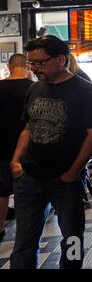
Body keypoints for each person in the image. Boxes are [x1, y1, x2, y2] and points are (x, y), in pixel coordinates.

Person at [9, 35, 92, 269]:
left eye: (40, 63)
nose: (34, 68)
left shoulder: (84, 90)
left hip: (65, 179)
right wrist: (15, 161)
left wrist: (74, 171)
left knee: (72, 238)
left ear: (61, 59)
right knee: (23, 242)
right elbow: (28, 127)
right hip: (29, 176)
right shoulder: (34, 88)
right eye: (32, 63)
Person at [0, 54, 33, 244]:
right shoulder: (33, 88)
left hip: (1, 147)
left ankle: (0, 230)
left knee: (2, 192)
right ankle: (26, 229)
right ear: (27, 66)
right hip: (26, 148)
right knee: (28, 192)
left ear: (8, 66)